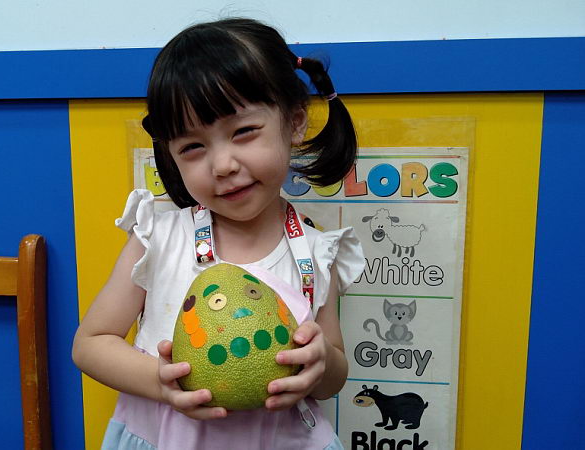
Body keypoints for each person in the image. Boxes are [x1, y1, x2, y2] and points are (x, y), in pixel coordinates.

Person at [72, 17, 365, 450]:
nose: (223, 165)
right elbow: (90, 344)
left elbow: (332, 378)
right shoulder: (158, 239)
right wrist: (159, 381)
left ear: (295, 121)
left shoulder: (317, 253)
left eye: (243, 132)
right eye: (193, 147)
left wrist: (321, 364)